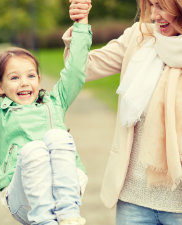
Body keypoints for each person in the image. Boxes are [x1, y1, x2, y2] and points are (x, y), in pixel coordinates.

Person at [0, 0, 92, 224]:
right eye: (14, 77)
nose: (24, 83)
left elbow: (76, 68)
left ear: (39, 80)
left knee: (58, 136)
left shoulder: (55, 102)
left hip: (66, 190)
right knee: (34, 150)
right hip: (25, 200)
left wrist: (81, 21)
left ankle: (70, 217)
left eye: (30, 76)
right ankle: (45, 222)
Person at [65, 0, 182, 224]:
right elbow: (81, 68)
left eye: (161, 6)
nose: (155, 15)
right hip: (134, 202)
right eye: (151, 5)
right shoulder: (139, 38)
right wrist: (80, 25)